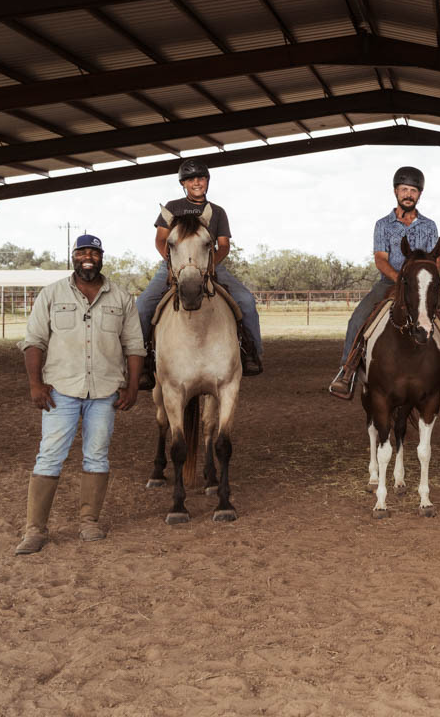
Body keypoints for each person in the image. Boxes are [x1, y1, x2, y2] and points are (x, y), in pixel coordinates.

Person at [15, 234, 145, 555]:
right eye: (82, 252)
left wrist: (132, 385)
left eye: (94, 252)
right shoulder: (52, 294)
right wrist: (35, 384)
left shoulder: (121, 297)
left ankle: (89, 522)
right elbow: (34, 341)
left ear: (102, 257)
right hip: (62, 389)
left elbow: (134, 345)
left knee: (97, 453)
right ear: (73, 257)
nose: (88, 257)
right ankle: (35, 530)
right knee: (50, 454)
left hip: (104, 390)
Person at [329, 166, 440, 404]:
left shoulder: (429, 226)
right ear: (395, 191)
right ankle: (347, 370)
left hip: (421, 286)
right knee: (358, 319)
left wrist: (426, 283)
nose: (408, 194)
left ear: (419, 195)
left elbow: (435, 260)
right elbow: (380, 259)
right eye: (404, 189)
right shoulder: (383, 225)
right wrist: (400, 281)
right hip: (389, 282)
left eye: (413, 191)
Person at [136, 158, 263, 389]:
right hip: (173, 266)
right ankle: (143, 360)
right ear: (183, 183)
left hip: (211, 265)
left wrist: (209, 267)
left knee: (245, 300)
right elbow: (161, 240)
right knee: (143, 306)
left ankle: (251, 352)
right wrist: (173, 265)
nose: (197, 183)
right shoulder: (172, 207)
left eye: (201, 178)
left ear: (207, 181)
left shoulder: (217, 212)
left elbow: (223, 245)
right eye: (191, 179)